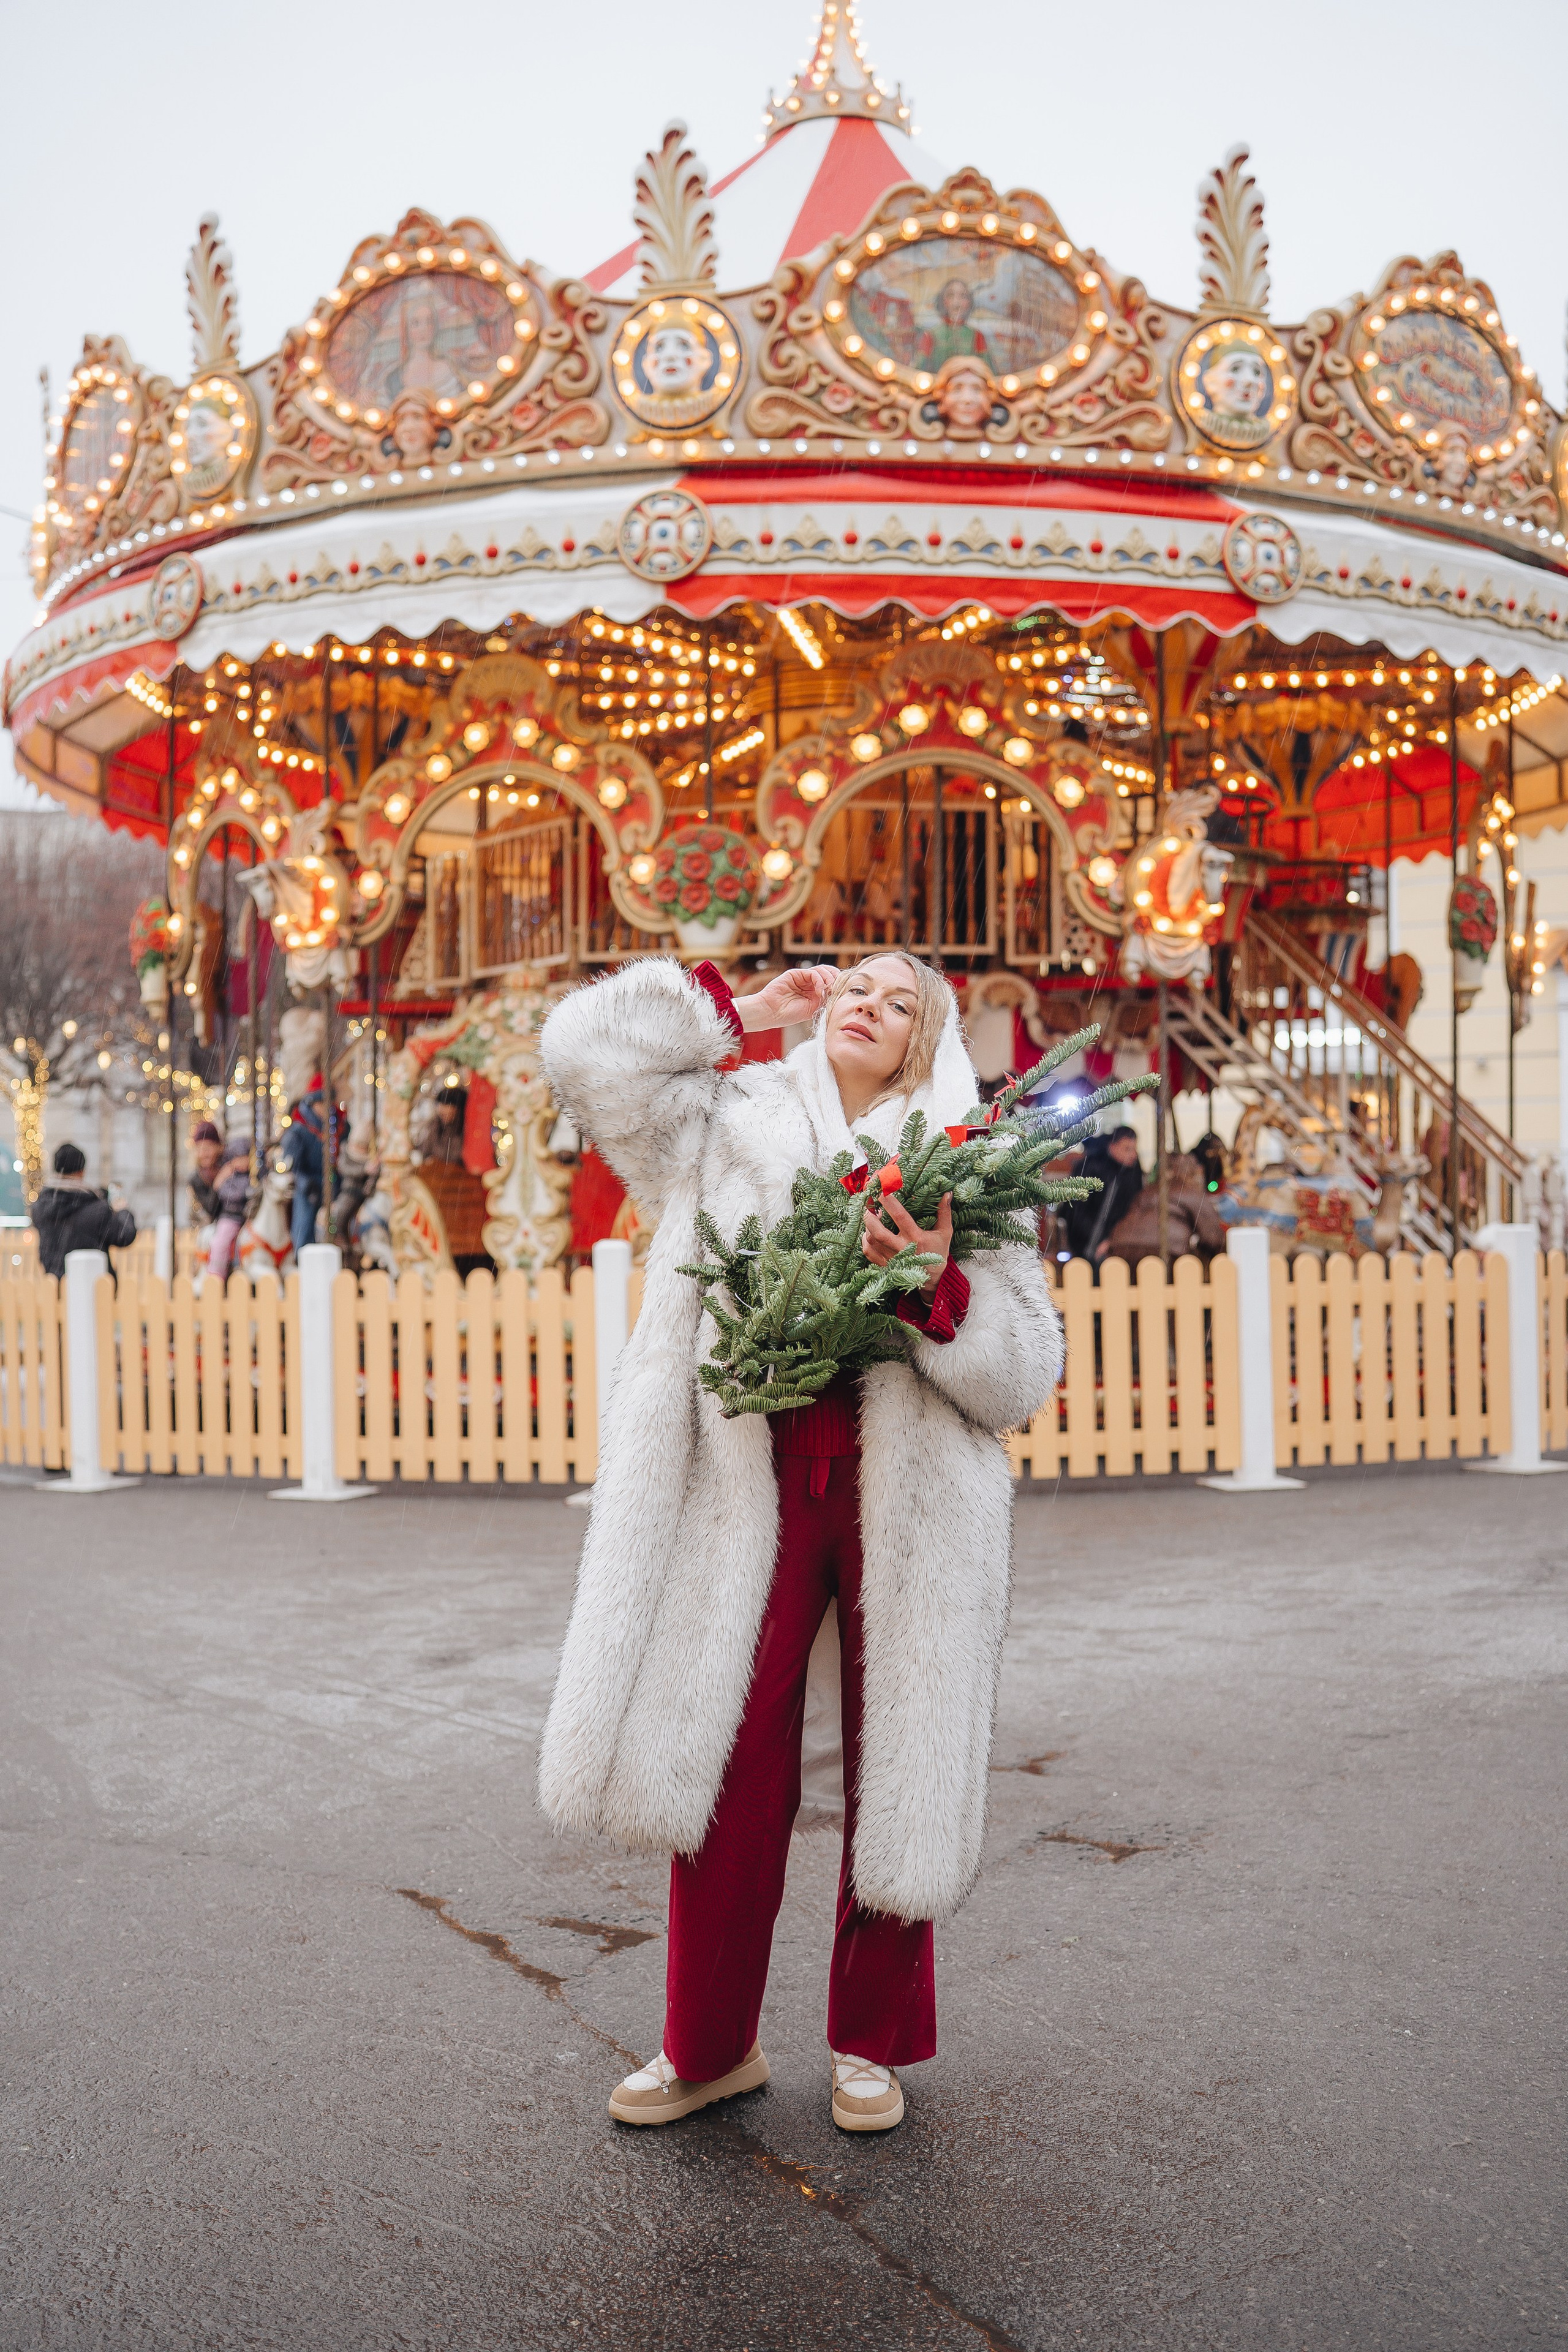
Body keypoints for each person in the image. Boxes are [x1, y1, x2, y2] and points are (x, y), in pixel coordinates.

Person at [538, 953, 1062, 2135]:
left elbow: (1024, 1370)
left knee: (902, 1764)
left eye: (900, 1002)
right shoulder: (732, 1118)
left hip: (907, 1494)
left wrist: (939, 1292)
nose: (865, 1007)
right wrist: (737, 1013)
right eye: (853, 988)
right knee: (724, 1763)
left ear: (932, 1040)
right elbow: (588, 1061)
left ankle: (871, 2043)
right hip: (751, 1482)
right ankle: (707, 2044)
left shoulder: (971, 1161)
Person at [31, 1142, 136, 1278]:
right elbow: (124, 1237)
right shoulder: (96, 1209)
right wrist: (123, 1211)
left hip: (56, 1285)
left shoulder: (41, 1206)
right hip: (95, 1286)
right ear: (82, 1171)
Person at [1063, 1127, 1144, 1263]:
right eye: (1127, 1149)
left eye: (1134, 1149)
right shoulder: (1091, 1166)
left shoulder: (1133, 1172)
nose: (1133, 1154)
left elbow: (1133, 1209)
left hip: (1114, 1243)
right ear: (1113, 1147)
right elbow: (1076, 1208)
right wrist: (1093, 1238)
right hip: (1084, 1239)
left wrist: (1112, 1240)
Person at [205, 1137, 255, 1284]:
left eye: (245, 1158)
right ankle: (216, 1273)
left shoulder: (253, 1176)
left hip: (249, 1217)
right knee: (221, 1241)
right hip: (231, 1216)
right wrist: (244, 1193)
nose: (242, 1162)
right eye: (238, 1158)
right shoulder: (229, 1176)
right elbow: (226, 1194)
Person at [188, 1121, 224, 1227]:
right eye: (199, 1149)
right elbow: (211, 1210)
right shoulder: (197, 1179)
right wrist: (218, 1183)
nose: (203, 1154)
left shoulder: (227, 1165)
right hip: (215, 1225)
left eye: (208, 1148)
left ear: (218, 1148)